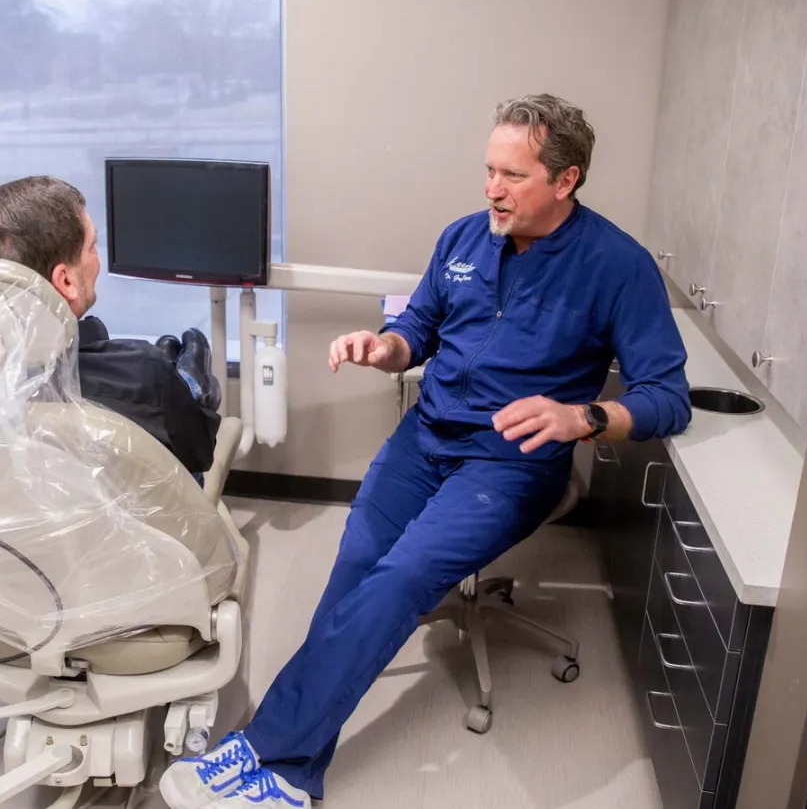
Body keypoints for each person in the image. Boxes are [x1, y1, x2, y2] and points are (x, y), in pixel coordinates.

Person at [159, 94, 691, 809]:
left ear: (565, 181)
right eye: (488, 170)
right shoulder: (464, 239)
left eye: (513, 176)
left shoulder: (618, 266)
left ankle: (268, 753)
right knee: (354, 562)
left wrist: (582, 416)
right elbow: (418, 328)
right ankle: (296, 770)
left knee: (404, 574)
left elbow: (668, 398)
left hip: (510, 461)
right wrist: (383, 350)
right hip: (427, 435)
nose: (491, 189)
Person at [0, 175, 222, 476]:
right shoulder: (139, 374)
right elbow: (199, 453)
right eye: (92, 247)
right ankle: (193, 386)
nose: (97, 259)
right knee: (181, 393)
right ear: (65, 281)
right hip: (133, 519)